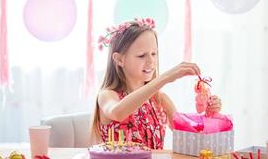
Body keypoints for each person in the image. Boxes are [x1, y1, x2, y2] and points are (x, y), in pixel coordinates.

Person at [89, 18, 221, 149]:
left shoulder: (159, 99)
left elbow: (189, 139)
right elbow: (118, 113)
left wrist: (210, 115)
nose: (151, 61)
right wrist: (165, 78)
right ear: (119, 59)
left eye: (154, 54)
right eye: (141, 55)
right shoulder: (107, 96)